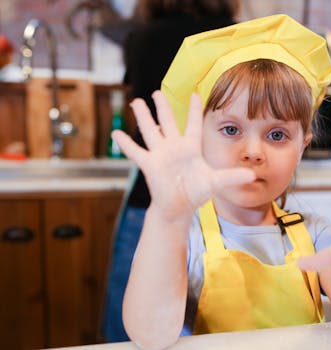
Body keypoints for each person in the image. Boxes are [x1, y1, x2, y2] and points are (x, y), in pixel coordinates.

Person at [112, 14, 331, 349]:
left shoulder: (315, 235)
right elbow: (151, 336)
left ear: (303, 145)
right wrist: (166, 218)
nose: (253, 151)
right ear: (199, 138)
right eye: (231, 129)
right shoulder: (184, 237)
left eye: (277, 135)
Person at [102, 0, 240, 342]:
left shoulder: (144, 39)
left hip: (155, 193)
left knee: (137, 325)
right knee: (218, 326)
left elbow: (137, 92)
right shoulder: (236, 39)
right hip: (223, 196)